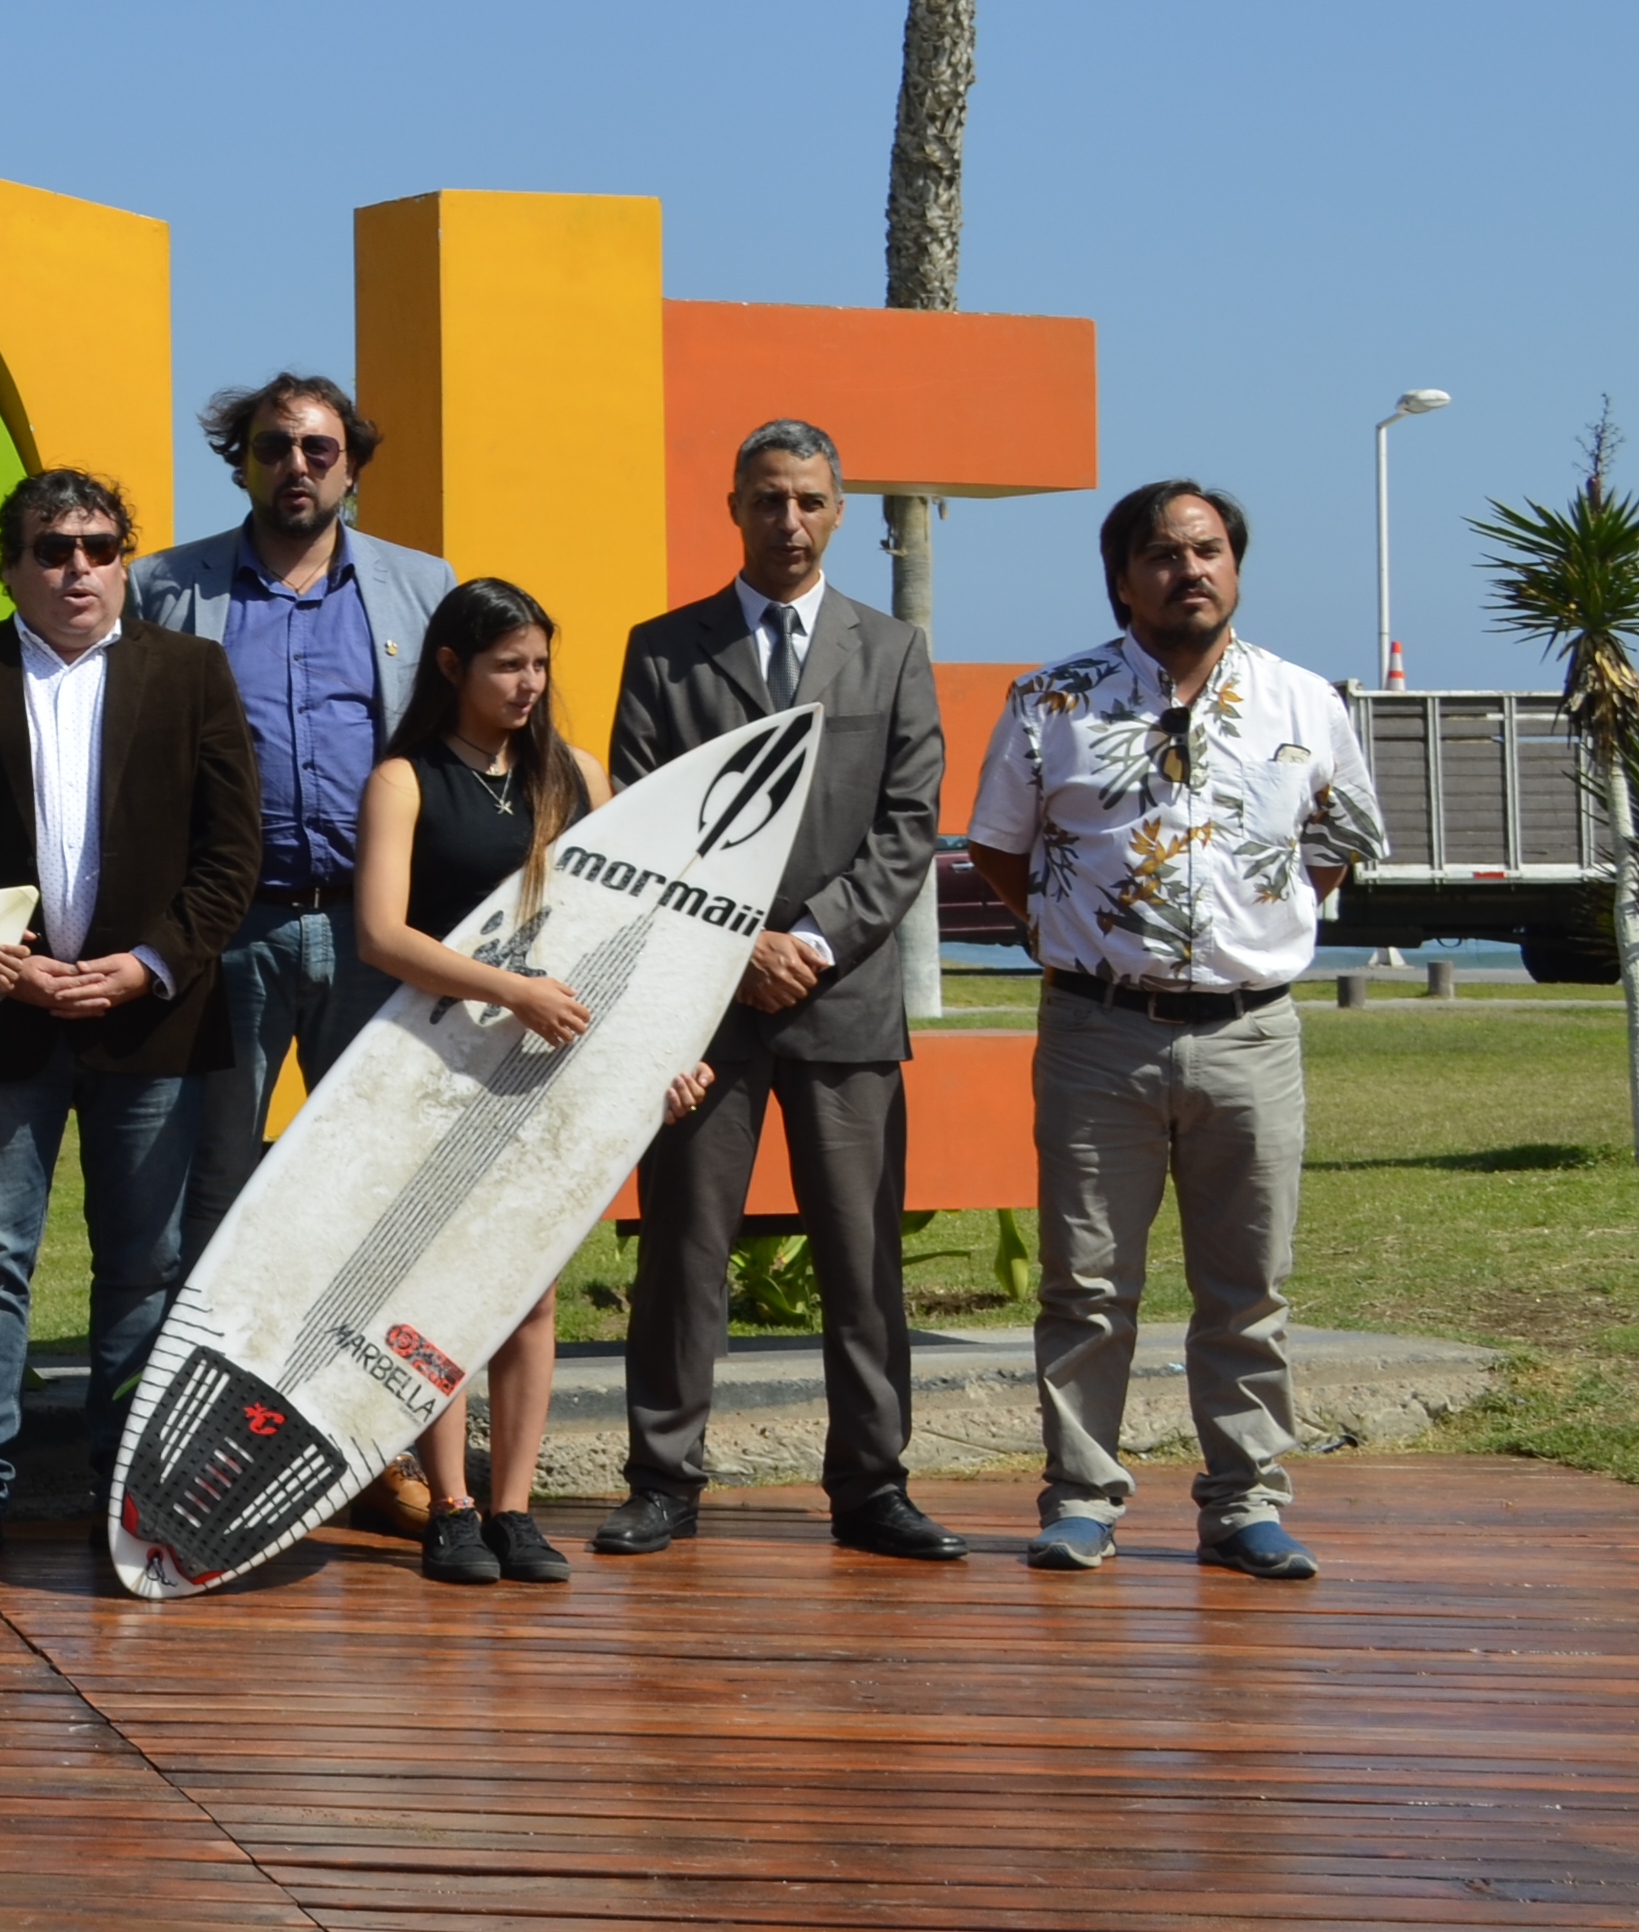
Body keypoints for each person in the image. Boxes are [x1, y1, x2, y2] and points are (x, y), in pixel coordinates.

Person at [966, 479, 1382, 1581]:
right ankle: (1082, 1499)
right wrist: (1085, 926)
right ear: (1120, 579)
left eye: (1206, 550)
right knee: (1086, 1284)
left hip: (1250, 1035)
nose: (1186, 569)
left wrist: (1251, 927)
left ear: (1233, 567)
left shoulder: (1303, 700)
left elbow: (1336, 838)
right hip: (1096, 1031)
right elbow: (1001, 849)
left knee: (1246, 1285)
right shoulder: (1049, 700)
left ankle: (1245, 1502)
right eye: (1161, 554)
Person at [595, 421, 964, 1566]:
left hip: (841, 1000)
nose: (787, 520)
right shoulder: (660, 651)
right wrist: (734, 945)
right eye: (765, 500)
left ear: (838, 511)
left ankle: (870, 1484)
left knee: (860, 1261)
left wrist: (806, 940)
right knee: (681, 1253)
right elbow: (639, 834)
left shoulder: (889, 649)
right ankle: (661, 1479)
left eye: (807, 500)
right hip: (699, 1013)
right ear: (732, 507)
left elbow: (907, 830)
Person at [0, 468, 261, 1566]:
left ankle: (123, 1480)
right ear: (8, 563)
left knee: (140, 1264)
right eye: (51, 549)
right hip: (2, 1014)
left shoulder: (189, 673)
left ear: (122, 561)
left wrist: (146, 965)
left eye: (99, 548)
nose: (76, 569)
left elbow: (227, 851)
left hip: (147, 1019)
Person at [351, 581, 716, 1588]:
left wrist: (665, 1051)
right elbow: (382, 933)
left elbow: (623, 941)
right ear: (449, 668)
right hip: (436, 1065)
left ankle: (511, 1509)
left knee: (527, 1294)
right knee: (434, 1289)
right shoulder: (403, 780)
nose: (526, 684)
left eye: (537, 665)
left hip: (550, 1066)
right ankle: (449, 1508)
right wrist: (509, 989)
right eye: (505, 664)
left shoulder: (578, 776)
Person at [125, 374, 455, 1265]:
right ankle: (202, 1382)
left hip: (373, 930)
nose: (295, 466)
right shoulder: (163, 587)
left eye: (319, 449)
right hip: (232, 931)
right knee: (217, 1174)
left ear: (353, 467)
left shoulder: (423, 587)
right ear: (242, 466)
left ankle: (361, 1386)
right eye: (272, 447)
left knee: (378, 1167)